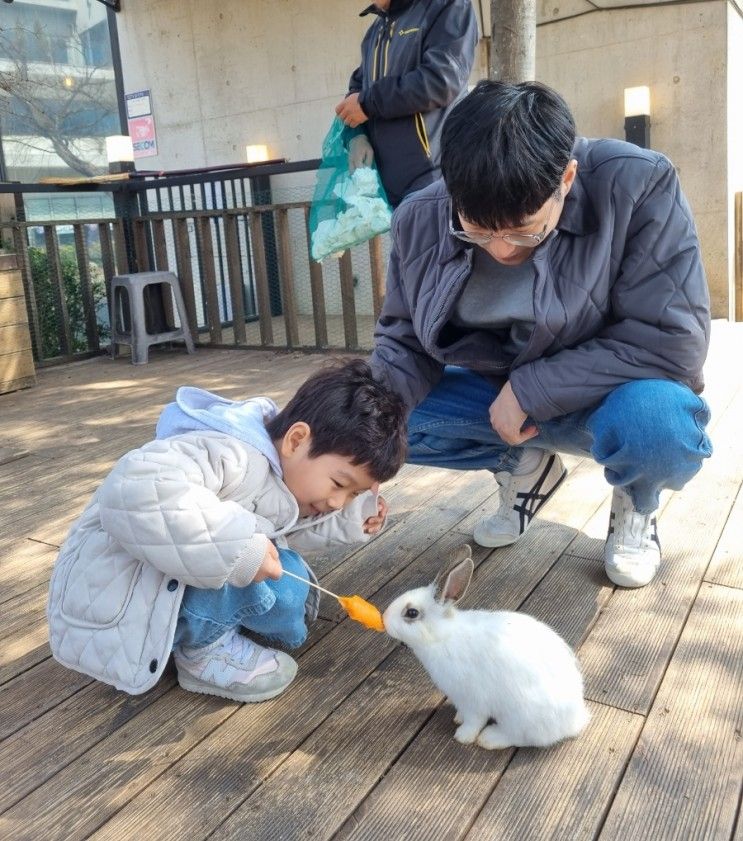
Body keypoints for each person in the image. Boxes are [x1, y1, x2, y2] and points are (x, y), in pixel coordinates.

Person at [369, 80, 712, 589]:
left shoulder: (638, 184)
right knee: (377, 415)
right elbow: (402, 343)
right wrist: (357, 453)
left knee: (659, 429)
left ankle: (637, 501)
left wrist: (531, 389)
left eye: (524, 229)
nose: (503, 250)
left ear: (567, 178)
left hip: (609, 395)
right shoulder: (419, 216)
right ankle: (524, 465)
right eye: (477, 230)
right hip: (495, 398)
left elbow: (672, 341)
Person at [47, 360, 407, 702]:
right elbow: (135, 490)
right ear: (297, 440)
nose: (337, 502)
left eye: (354, 495)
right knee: (268, 574)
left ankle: (205, 626)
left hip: (160, 587)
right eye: (339, 484)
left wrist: (350, 520)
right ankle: (202, 651)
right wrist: (234, 546)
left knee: (289, 583)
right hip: (118, 596)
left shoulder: (282, 471)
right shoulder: (227, 452)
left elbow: (285, 528)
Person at [335, 0, 478, 207]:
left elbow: (442, 80)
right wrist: (357, 135)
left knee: (439, 238)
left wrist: (368, 104)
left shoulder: (447, 6)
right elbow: (357, 90)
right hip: (390, 191)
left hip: (438, 181)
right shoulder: (374, 33)